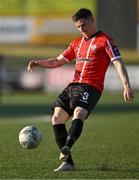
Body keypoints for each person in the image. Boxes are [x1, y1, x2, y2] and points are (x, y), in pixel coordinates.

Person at [27, 8, 134, 171]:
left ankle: (67, 146)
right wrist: (38, 62)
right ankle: (68, 162)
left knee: (79, 113)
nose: (81, 29)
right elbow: (57, 61)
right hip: (73, 85)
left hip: (91, 87)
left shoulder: (105, 40)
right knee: (56, 118)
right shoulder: (76, 43)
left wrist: (126, 85)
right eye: (78, 27)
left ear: (92, 20)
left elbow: (118, 62)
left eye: (83, 25)